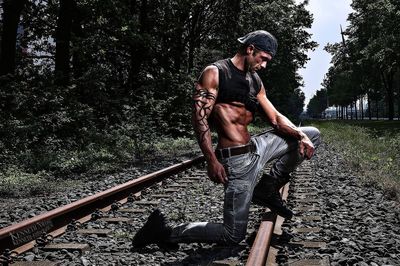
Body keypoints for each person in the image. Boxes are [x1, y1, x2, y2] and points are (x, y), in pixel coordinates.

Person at [132, 30, 321, 248]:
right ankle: (165, 233)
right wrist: (211, 159)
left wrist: (301, 135)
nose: (265, 65)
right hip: (236, 161)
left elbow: (276, 118)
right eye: (264, 59)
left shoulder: (254, 80)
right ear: (250, 49)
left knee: (312, 134)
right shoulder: (215, 72)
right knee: (232, 236)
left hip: (256, 148)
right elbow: (200, 119)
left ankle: (268, 187)